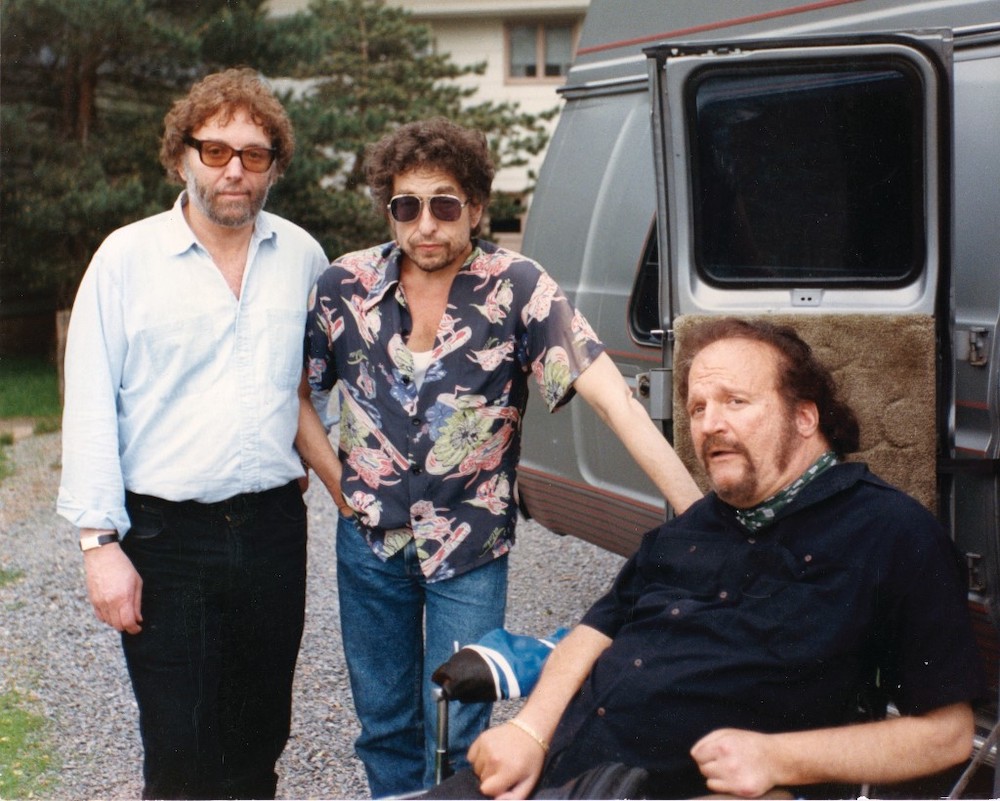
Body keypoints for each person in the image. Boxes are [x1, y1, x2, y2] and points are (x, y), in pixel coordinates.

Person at [294, 117, 703, 797]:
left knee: (461, 725)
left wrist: (699, 517)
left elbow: (616, 401)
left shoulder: (518, 287)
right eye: (407, 206)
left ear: (477, 207)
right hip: (369, 546)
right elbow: (298, 396)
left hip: (470, 547)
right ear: (389, 210)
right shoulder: (344, 285)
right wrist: (340, 486)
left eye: (445, 205)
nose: (426, 224)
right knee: (384, 723)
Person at [441, 317, 985, 800]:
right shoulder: (691, 526)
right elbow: (596, 629)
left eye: (735, 402)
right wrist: (529, 731)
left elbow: (948, 735)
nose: (708, 424)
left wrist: (779, 760)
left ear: (804, 416)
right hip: (547, 771)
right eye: (698, 408)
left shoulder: (891, 533)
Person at [57, 68, 329, 800]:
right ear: (182, 156)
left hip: (272, 532)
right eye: (215, 150)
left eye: (254, 153)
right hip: (165, 538)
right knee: (180, 749)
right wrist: (98, 545)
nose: (234, 169)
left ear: (274, 166)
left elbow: (318, 391)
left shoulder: (304, 258)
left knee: (258, 741)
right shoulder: (125, 260)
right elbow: (89, 403)